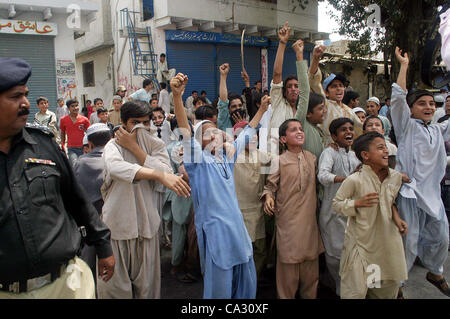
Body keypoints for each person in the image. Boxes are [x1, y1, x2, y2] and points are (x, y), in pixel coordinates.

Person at [0, 57, 114, 298]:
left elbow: (78, 200)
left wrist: (103, 245)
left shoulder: (43, 145)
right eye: (15, 97)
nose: (26, 104)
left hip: (66, 284)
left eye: (25, 95)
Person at [171, 71, 269, 299]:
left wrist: (262, 109)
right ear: (199, 143)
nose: (215, 134)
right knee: (220, 291)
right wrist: (177, 97)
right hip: (218, 237)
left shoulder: (226, 158)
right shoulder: (198, 162)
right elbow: (186, 132)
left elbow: (247, 133)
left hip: (238, 235)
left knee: (246, 286)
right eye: (207, 133)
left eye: (216, 130)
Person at [98, 100, 190, 299]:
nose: (141, 128)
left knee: (147, 291)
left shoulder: (155, 145)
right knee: (115, 291)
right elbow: (116, 168)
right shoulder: (113, 146)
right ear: (123, 123)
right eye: (135, 123)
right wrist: (155, 174)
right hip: (118, 229)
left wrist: (136, 148)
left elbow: (167, 172)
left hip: (147, 228)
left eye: (145, 123)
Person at [391, 47, 450, 297]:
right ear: (411, 108)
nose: (428, 106)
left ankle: (435, 271)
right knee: (408, 242)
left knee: (442, 238)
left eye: (431, 103)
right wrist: (404, 65)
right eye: (421, 103)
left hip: (432, 194)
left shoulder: (437, 129)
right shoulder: (406, 127)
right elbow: (398, 98)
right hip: (410, 193)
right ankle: (399, 286)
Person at [332, 131, 408, 299]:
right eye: (380, 148)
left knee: (384, 290)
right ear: (365, 155)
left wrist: (397, 218)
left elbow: (389, 202)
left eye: (386, 147)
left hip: (387, 243)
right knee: (355, 292)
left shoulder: (395, 177)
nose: (386, 151)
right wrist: (356, 203)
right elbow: (337, 204)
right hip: (360, 244)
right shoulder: (354, 180)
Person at [262, 119, 324, 299]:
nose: (299, 132)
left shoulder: (312, 158)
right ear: (283, 139)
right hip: (288, 223)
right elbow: (269, 187)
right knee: (288, 268)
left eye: (301, 129)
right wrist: (268, 198)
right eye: (293, 130)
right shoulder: (278, 161)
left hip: (309, 224)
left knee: (311, 270)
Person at [317, 118, 360, 296]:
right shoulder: (330, 152)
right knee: (335, 255)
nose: (349, 132)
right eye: (343, 130)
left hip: (352, 212)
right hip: (332, 213)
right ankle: (339, 289)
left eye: (351, 129)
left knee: (351, 255)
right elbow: (323, 176)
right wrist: (346, 179)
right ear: (334, 136)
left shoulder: (355, 154)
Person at [232, 110, 273, 281]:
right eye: (247, 135)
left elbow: (279, 160)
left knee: (260, 250)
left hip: (258, 211)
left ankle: (253, 282)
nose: (253, 138)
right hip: (238, 212)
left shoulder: (261, 155)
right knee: (241, 251)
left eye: (256, 134)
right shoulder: (232, 157)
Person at [73, 123, 112, 282]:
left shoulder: (79, 163)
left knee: (87, 269)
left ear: (89, 144)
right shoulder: (117, 162)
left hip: (88, 225)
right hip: (112, 223)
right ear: (110, 140)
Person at [309, 45, 363, 144]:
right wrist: (316, 59)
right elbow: (313, 81)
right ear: (326, 92)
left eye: (341, 85)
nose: (338, 88)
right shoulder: (325, 105)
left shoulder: (350, 111)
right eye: (333, 86)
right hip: (326, 151)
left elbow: (360, 134)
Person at [268, 23, 308, 154]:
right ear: (284, 91)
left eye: (296, 86)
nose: (293, 89)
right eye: (289, 86)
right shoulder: (278, 102)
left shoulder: (303, 110)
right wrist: (282, 43)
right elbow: (277, 74)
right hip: (274, 157)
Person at [294, 89, 326, 159]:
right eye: (320, 108)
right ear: (308, 113)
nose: (325, 111)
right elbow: (304, 93)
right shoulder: (301, 125)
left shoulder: (318, 130)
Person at [60, 99, 90, 165]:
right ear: (68, 108)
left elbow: (89, 133)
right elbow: (62, 133)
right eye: (72, 106)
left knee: (83, 166)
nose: (75, 108)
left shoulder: (84, 119)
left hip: (83, 147)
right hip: (71, 148)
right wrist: (62, 146)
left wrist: (89, 146)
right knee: (74, 165)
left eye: (76, 106)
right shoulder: (63, 120)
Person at [217, 64, 246, 131]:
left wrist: (243, 127)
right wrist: (223, 76)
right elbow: (223, 102)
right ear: (228, 109)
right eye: (234, 106)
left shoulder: (246, 121)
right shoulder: (224, 120)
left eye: (240, 105)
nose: (238, 108)